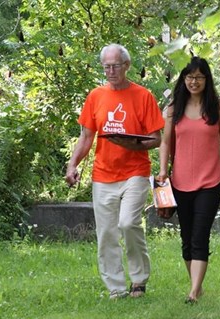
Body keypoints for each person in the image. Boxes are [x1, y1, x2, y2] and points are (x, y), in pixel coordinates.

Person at [65, 44, 164, 300]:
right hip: (103, 175)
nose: (110, 71)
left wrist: (133, 144)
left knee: (128, 223)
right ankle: (117, 288)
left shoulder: (143, 96)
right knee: (107, 232)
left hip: (135, 171)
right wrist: (72, 164)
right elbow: (86, 136)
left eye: (115, 66)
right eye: (106, 66)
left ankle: (139, 281)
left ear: (127, 66)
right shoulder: (96, 96)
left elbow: (156, 139)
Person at [156, 57, 220, 304]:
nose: (194, 81)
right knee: (187, 237)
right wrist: (162, 171)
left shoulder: (218, 107)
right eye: (190, 77)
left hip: (210, 181)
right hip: (179, 181)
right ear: (183, 80)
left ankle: (193, 291)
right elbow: (166, 142)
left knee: (200, 235)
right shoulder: (173, 109)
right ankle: (196, 285)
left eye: (199, 77)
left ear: (207, 80)